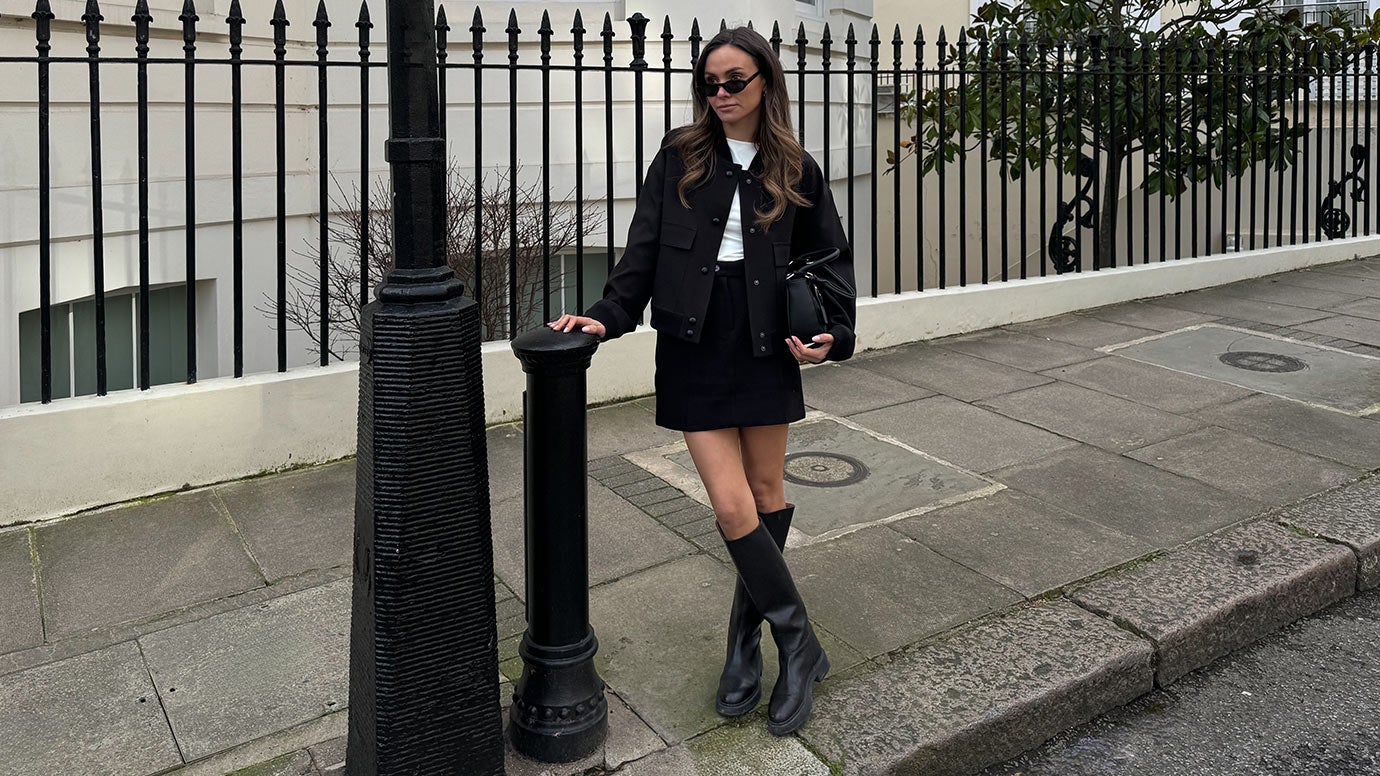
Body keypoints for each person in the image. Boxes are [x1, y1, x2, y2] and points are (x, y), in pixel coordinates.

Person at [548, 25, 855, 736]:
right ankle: (798, 640)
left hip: (764, 342)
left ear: (764, 83)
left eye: (733, 81)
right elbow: (644, 250)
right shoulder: (681, 156)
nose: (719, 94)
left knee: (769, 494)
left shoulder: (796, 168)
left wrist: (833, 337)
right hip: (694, 343)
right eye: (709, 83)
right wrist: (606, 315)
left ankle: (744, 646)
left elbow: (831, 259)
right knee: (729, 504)